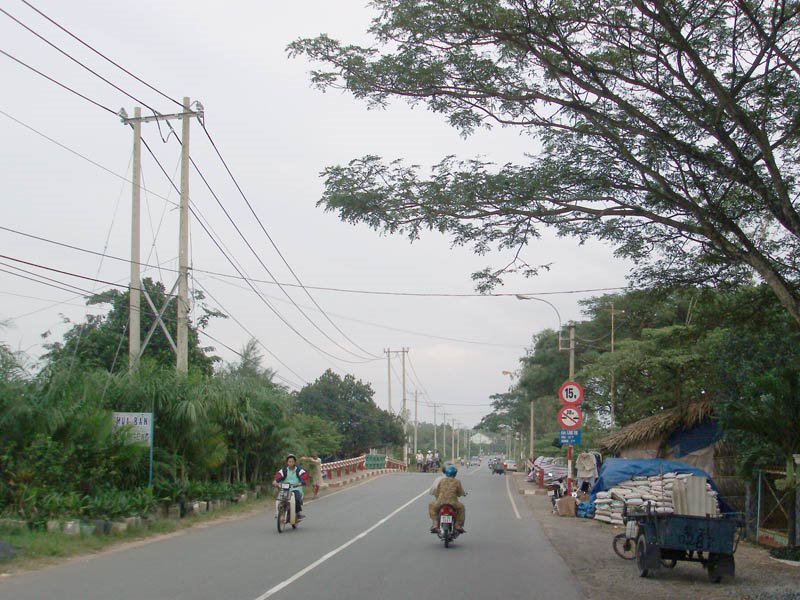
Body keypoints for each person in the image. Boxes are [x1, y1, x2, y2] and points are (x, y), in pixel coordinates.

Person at [429, 464, 467, 534]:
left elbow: (437, 491)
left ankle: (435, 524)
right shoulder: (457, 481)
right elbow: (460, 493)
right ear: (455, 474)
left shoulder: (441, 480)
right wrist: (463, 494)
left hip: (440, 502)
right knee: (461, 508)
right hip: (453, 503)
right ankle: (458, 525)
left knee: (431, 506)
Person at [273, 454, 309, 518]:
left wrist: (300, 483)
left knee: (297, 499)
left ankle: (298, 513)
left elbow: (304, 476)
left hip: (296, 489)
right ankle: (277, 513)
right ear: (287, 462)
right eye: (289, 461)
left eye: (292, 461)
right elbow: (278, 476)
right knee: (279, 500)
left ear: (295, 462)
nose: (290, 463)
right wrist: (275, 481)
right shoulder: (284, 470)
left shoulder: (299, 470)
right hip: (285, 489)